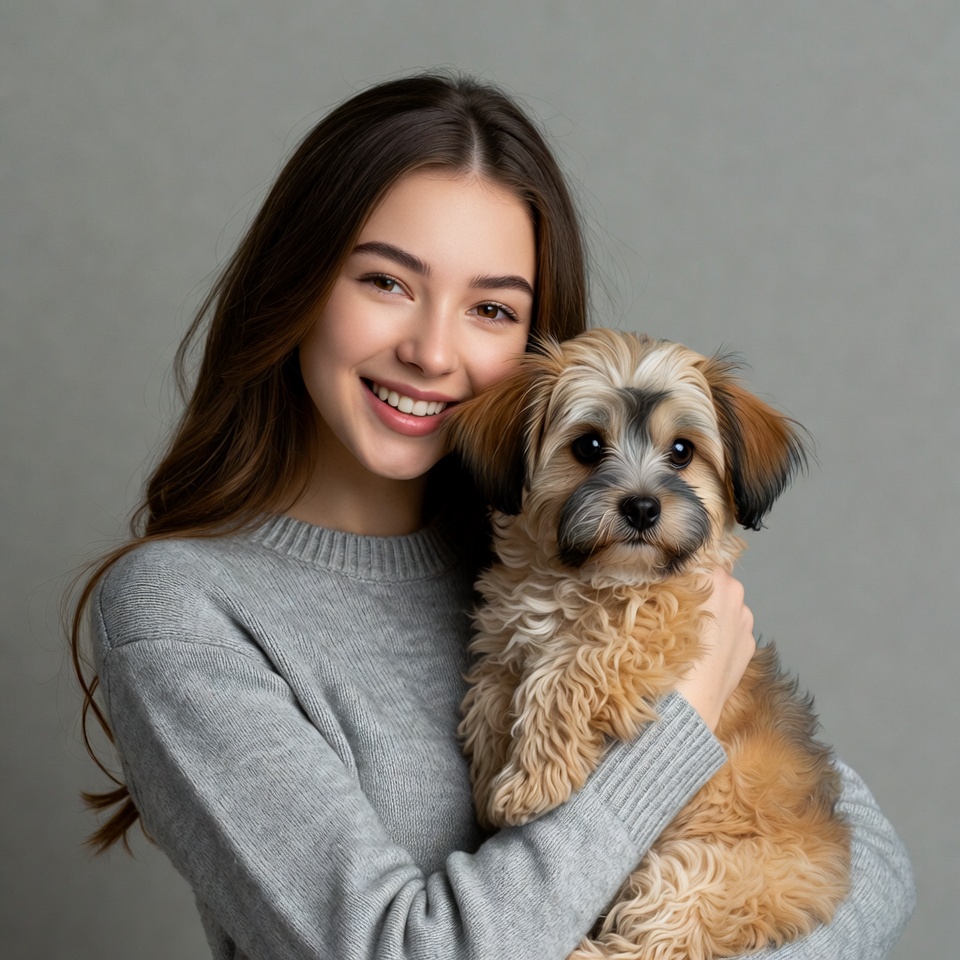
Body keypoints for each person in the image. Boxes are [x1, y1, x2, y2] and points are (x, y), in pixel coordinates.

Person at [70, 72, 914, 959]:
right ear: (301, 282)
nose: (433, 351)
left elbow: (871, 866)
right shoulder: (184, 613)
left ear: (533, 342)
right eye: (387, 283)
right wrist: (677, 734)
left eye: (491, 308)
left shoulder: (556, 550)